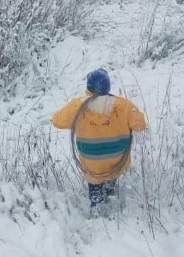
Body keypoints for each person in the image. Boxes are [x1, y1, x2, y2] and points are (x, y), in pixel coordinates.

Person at [52, 68, 148, 214]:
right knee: (112, 172)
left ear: (88, 87)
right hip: (117, 159)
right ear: (108, 86)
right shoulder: (123, 106)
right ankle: (110, 192)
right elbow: (141, 125)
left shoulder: (77, 106)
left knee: (95, 177)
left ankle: (97, 206)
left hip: (92, 161)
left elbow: (57, 121)